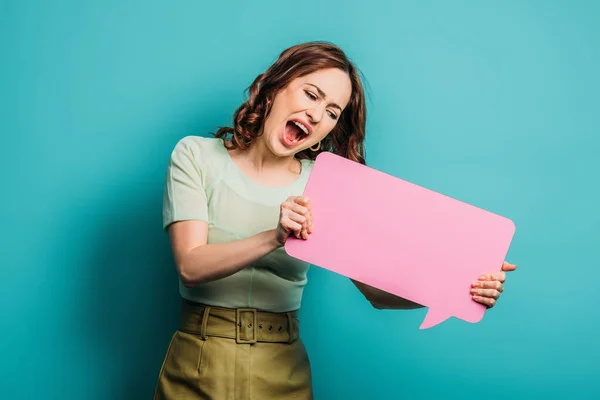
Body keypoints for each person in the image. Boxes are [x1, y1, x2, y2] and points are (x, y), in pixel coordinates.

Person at [153, 41, 517, 399]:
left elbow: (377, 294)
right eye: (311, 95)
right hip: (197, 361)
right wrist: (277, 236)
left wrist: (458, 287)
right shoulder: (196, 156)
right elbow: (190, 265)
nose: (316, 115)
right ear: (275, 86)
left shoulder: (324, 186)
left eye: (332, 111)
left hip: (281, 368)